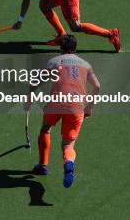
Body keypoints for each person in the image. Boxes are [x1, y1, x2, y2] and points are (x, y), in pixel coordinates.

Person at [26, 35, 101, 188]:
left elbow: (37, 81)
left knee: (45, 129)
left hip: (56, 104)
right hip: (76, 107)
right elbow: (97, 86)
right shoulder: (85, 64)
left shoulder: (54, 61)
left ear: (61, 48)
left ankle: (43, 166)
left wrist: (29, 97)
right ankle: (68, 163)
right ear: (75, 47)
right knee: (68, 145)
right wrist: (89, 108)